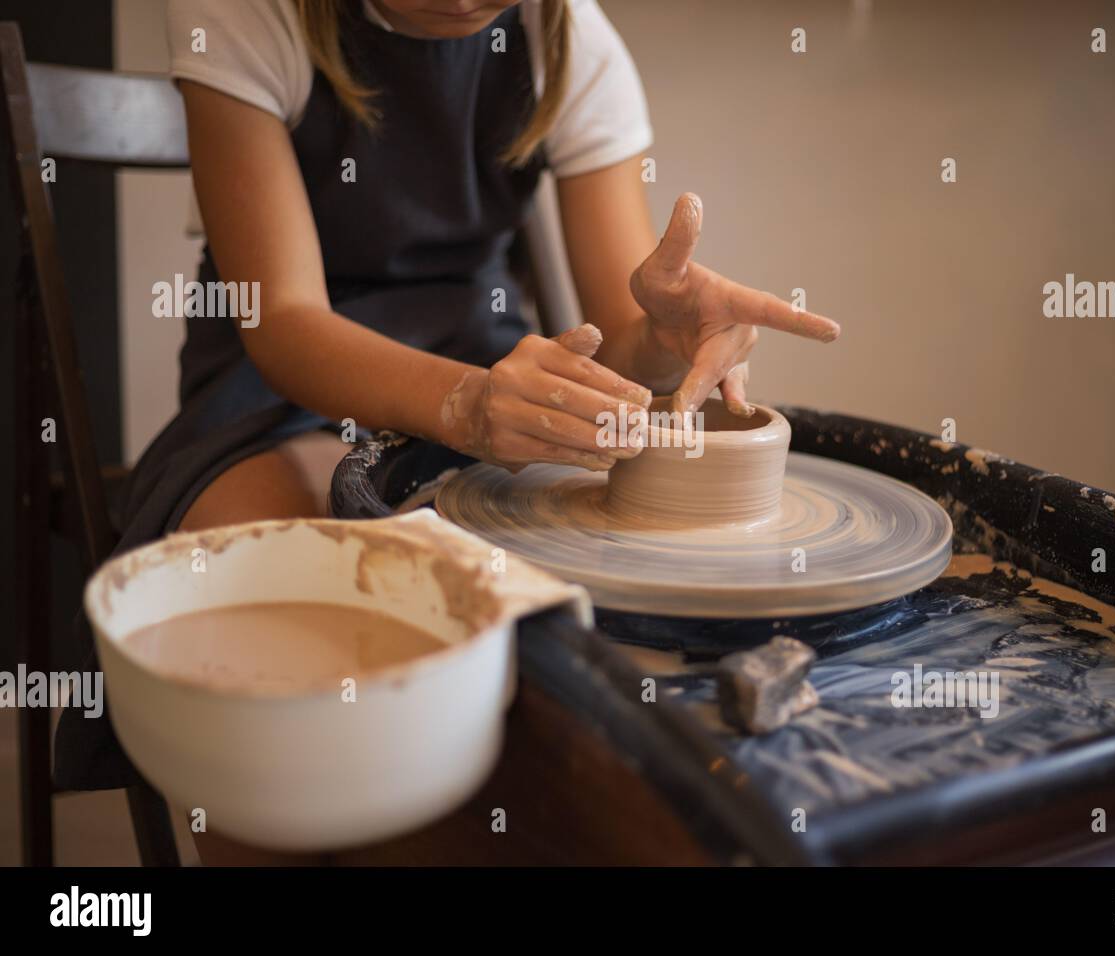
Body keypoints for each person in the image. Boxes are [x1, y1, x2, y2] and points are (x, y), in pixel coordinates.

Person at [53, 0, 839, 862]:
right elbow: (280, 316)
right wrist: (463, 406)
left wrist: (664, 335)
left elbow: (622, 335)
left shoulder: (568, 39)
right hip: (285, 381)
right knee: (272, 632)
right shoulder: (246, 11)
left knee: (552, 667)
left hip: (493, 366)